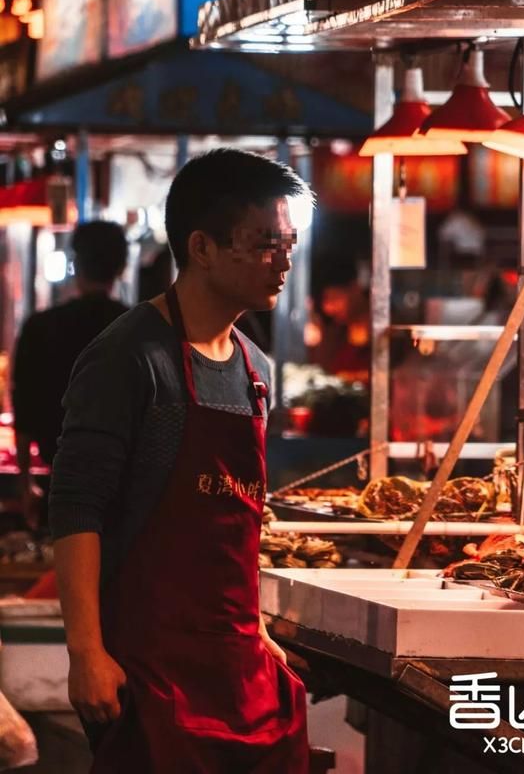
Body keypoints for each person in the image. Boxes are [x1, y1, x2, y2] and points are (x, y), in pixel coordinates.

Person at [50, 149, 310, 773]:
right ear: (202, 248)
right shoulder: (130, 357)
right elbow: (77, 504)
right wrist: (86, 651)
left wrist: (257, 632)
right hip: (151, 667)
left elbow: (236, 527)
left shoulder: (255, 370)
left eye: (289, 242)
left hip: (239, 665)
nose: (284, 260)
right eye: (265, 243)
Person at [12, 221, 128, 530]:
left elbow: (23, 412)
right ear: (122, 267)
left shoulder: (40, 327)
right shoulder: (138, 329)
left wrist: (25, 485)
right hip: (129, 493)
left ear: (75, 263)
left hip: (60, 486)